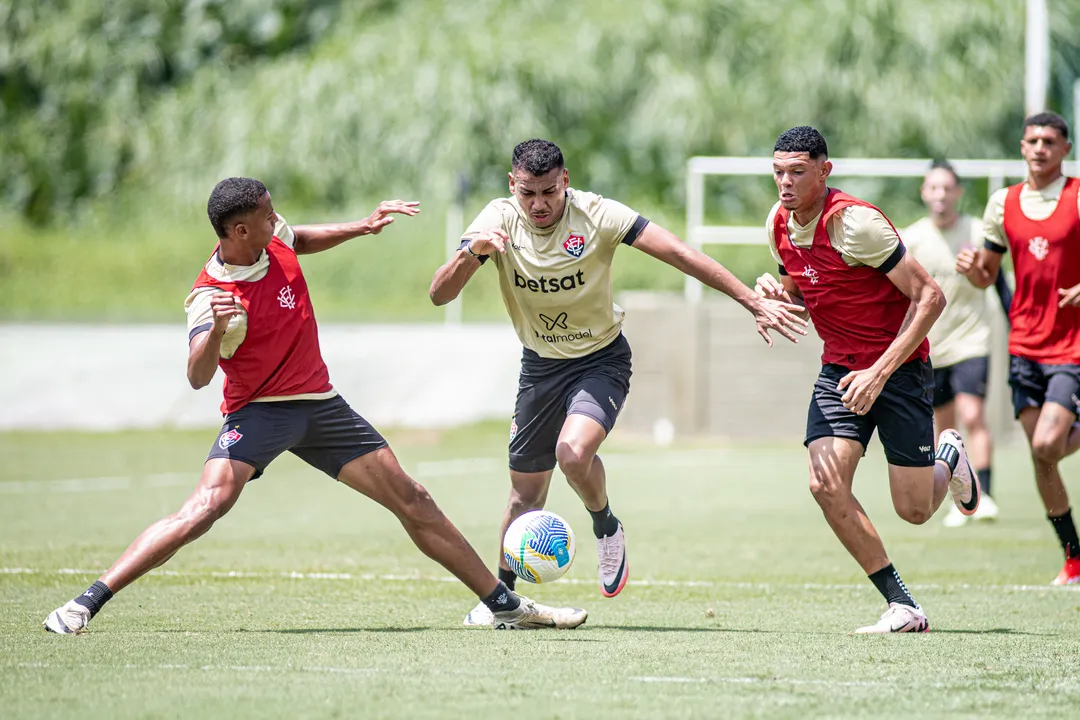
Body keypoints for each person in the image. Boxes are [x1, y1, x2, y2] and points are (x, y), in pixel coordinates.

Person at [43, 177, 587, 634]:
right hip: (259, 413)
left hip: (322, 407)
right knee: (204, 508)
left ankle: (503, 605)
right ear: (239, 232)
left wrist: (362, 226)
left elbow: (297, 238)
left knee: (413, 499)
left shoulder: (269, 236)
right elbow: (196, 375)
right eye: (266, 215)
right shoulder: (211, 295)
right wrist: (217, 333)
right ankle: (86, 603)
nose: (276, 219)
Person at [428, 139, 808, 626]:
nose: (540, 204)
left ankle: (605, 525)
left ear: (565, 180)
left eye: (549, 191)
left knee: (572, 452)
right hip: (540, 366)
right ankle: (501, 602)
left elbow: (679, 253)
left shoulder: (598, 216)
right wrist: (470, 255)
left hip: (600, 360)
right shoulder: (496, 220)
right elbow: (440, 295)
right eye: (528, 194)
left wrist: (749, 300)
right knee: (523, 496)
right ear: (512, 187)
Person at [754, 126, 979, 633]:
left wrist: (879, 373)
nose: (784, 183)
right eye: (777, 171)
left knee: (915, 510)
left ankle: (951, 456)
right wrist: (774, 298)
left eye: (797, 172)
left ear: (824, 170)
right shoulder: (778, 225)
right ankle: (903, 605)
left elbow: (930, 298)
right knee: (824, 483)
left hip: (897, 370)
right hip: (839, 369)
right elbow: (804, 295)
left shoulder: (857, 224)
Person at [956, 111, 1080, 586]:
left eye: (1050, 140)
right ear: (1022, 147)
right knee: (1041, 455)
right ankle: (1074, 557)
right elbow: (988, 274)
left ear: (1065, 148)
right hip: (1025, 341)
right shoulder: (1002, 202)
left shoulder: (1075, 196)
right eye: (1033, 140)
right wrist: (972, 268)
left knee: (1048, 443)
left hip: (1071, 344)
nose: (1040, 148)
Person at [903, 160, 1001, 527]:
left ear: (958, 192)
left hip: (972, 341)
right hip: (931, 346)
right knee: (943, 428)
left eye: (948, 188)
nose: (941, 195)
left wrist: (976, 269)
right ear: (924, 193)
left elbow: (992, 280)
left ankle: (987, 495)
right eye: (934, 188)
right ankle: (958, 498)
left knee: (973, 415)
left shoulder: (976, 232)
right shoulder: (911, 238)